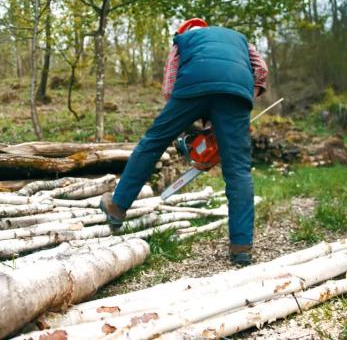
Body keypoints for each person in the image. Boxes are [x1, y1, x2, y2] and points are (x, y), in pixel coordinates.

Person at [99, 18, 269, 266]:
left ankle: (117, 206)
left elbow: (170, 86)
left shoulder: (182, 40)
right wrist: (242, 102)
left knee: (153, 142)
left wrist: (181, 118)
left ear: (185, 30)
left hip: (193, 87)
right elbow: (261, 70)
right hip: (236, 91)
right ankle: (241, 246)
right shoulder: (239, 39)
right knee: (238, 170)